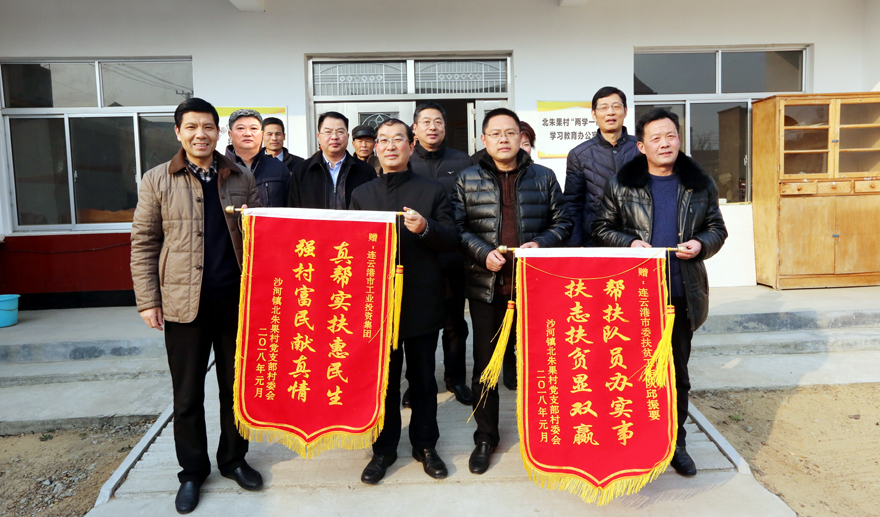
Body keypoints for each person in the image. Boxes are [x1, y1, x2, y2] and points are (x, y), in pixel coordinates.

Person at [131, 98, 263, 514]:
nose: (200, 134)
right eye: (191, 127)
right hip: (182, 304)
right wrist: (148, 301)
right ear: (178, 132)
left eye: (208, 127)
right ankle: (192, 472)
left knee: (235, 391)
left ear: (218, 132)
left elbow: (261, 237)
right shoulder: (157, 179)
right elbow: (144, 242)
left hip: (234, 302)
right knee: (187, 395)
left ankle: (234, 460)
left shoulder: (240, 175)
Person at [592, 108, 727, 477]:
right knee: (632, 373)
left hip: (681, 293)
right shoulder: (622, 184)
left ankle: (675, 444)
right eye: (656, 138)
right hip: (634, 297)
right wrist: (628, 242)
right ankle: (635, 441)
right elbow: (601, 228)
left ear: (679, 139)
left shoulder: (699, 183)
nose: (665, 143)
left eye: (671, 136)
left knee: (676, 374)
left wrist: (701, 244)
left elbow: (717, 228)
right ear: (641, 146)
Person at [453, 108, 571, 475]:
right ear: (483, 139)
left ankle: (545, 434)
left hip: (535, 287)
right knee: (485, 368)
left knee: (542, 364)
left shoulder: (544, 177)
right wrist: (481, 252)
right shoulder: (467, 178)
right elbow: (457, 227)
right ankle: (486, 437)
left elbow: (564, 222)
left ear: (522, 137)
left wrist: (541, 243)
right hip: (487, 289)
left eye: (510, 132)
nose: (503, 139)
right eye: (496, 133)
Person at [350, 119, 460, 483]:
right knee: (383, 381)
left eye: (398, 139)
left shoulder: (432, 190)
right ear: (375, 148)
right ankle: (383, 449)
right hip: (378, 304)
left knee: (424, 380)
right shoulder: (362, 194)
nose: (390, 146)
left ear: (411, 146)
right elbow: (350, 249)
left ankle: (425, 445)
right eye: (383, 140)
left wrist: (426, 228)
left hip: (421, 299)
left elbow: (452, 238)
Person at [408, 101, 474, 407]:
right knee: (418, 325)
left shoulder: (462, 161)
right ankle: (418, 382)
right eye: (426, 122)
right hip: (415, 256)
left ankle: (456, 379)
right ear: (415, 128)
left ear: (445, 128)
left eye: (438, 122)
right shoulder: (406, 160)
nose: (432, 127)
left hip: (451, 253)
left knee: (454, 322)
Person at [564, 86, 641, 247]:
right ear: (594, 114)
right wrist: (576, 245)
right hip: (595, 241)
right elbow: (573, 204)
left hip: (638, 240)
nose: (610, 112)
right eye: (603, 107)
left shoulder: (642, 149)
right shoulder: (579, 154)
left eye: (616, 106)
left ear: (625, 111)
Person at [287, 111, 375, 210]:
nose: (334, 137)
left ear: (347, 136)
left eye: (340, 132)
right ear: (319, 136)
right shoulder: (301, 171)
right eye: (328, 132)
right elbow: (293, 211)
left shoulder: (366, 171)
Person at [224, 109, 291, 207]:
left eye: (253, 128)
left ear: (262, 134)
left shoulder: (279, 168)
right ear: (231, 134)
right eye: (241, 128)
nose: (247, 133)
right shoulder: (219, 168)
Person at [470, 120, 536, 166]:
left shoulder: (538, 173)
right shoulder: (476, 162)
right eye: (518, 143)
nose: (521, 148)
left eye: (526, 144)